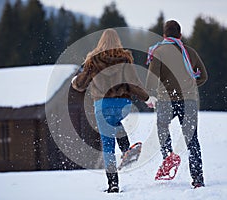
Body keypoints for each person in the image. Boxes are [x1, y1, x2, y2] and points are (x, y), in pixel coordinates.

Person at [71, 28, 156, 193]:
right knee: (115, 121)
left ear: (101, 41)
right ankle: (126, 150)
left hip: (102, 105)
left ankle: (113, 184)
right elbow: (133, 83)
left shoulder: (93, 61)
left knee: (108, 146)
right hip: (123, 105)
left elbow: (80, 85)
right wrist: (147, 98)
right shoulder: (125, 59)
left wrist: (75, 80)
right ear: (117, 41)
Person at [145, 20, 208, 188]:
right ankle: (197, 179)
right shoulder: (190, 52)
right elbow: (203, 76)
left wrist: (151, 95)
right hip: (189, 101)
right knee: (192, 139)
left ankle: (168, 158)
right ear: (180, 34)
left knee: (162, 129)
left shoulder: (158, 52)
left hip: (166, 100)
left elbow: (151, 79)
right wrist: (190, 86)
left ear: (164, 35)